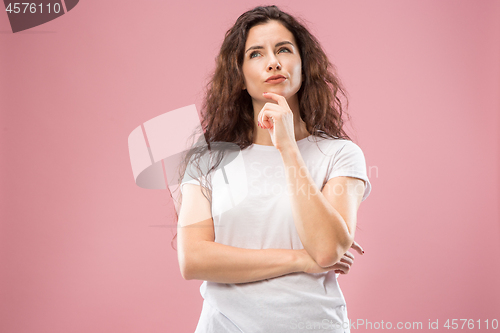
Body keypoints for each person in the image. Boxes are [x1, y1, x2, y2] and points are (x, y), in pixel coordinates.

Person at [174, 5, 371, 333]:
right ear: (239, 76)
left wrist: (288, 148)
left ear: (303, 67)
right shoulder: (206, 160)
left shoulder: (341, 155)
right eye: (255, 54)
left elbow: (326, 249)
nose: (273, 61)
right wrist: (299, 260)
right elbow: (193, 259)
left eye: (284, 49)